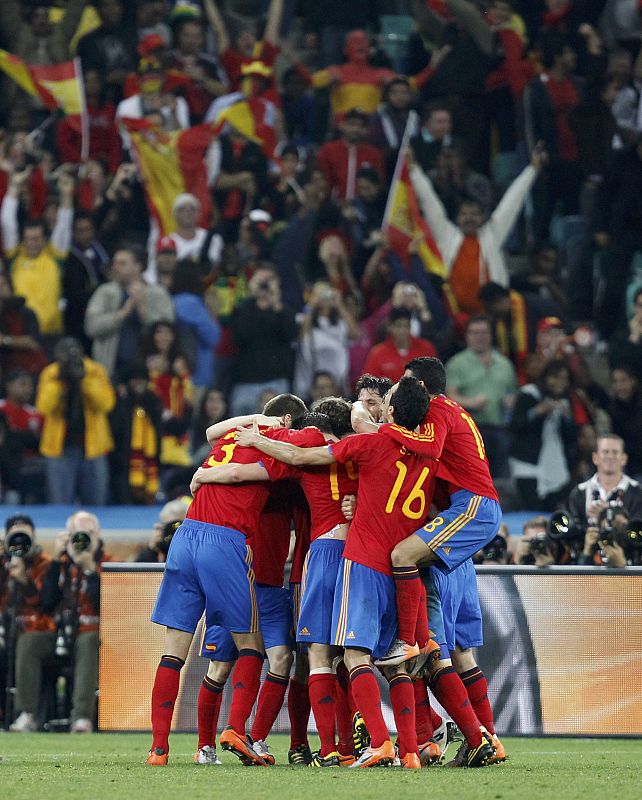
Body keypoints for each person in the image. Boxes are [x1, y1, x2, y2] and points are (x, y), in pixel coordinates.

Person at [235, 377, 435, 769]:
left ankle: (336, 748)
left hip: (339, 555)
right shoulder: (423, 452)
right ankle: (414, 747)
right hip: (401, 561)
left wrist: (254, 441)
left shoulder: (355, 447)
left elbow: (294, 459)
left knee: (327, 656)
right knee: (398, 658)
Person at [193, 399, 358, 766]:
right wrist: (254, 423)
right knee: (224, 664)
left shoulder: (291, 468)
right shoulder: (259, 456)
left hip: (278, 580)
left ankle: (260, 739)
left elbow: (221, 442)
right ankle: (206, 746)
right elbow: (214, 437)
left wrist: (207, 474)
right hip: (238, 572)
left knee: (286, 660)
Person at [146, 395, 301, 766]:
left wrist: (204, 472)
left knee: (173, 651)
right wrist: (273, 427)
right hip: (224, 540)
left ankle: (159, 749)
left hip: (185, 537)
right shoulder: (279, 447)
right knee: (251, 644)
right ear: (286, 420)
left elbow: (212, 431)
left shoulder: (233, 437)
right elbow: (237, 475)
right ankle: (235, 729)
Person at [409, 146, 544, 315]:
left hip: (491, 315)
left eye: (474, 214)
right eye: (464, 214)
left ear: (482, 218)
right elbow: (429, 202)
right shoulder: (446, 234)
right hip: (452, 314)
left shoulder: (492, 235)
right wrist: (413, 169)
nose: (469, 218)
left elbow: (511, 203)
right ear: (457, 218)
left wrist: (531, 169)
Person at [44, 511, 110, 732]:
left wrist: (91, 568)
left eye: (89, 533)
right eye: (77, 533)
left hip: (95, 634)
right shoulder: (60, 562)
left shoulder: (109, 564)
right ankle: (27, 714)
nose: (83, 539)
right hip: (61, 632)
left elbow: (108, 605)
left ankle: (82, 718)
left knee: (88, 639)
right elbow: (46, 603)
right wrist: (55, 560)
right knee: (29, 640)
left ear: (98, 535)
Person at [36, 337, 116, 506]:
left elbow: (106, 403)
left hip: (93, 447)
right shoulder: (51, 373)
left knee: (96, 503)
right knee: (59, 504)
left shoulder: (95, 370)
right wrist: (61, 381)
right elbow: (44, 407)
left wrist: (84, 379)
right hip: (59, 448)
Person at [1, 167, 75, 339]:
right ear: (23, 239)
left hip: (52, 332)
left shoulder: (55, 256)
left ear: (44, 239)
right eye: (28, 239)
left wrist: (66, 196)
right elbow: (7, 223)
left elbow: (64, 226)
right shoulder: (15, 257)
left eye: (36, 238)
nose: (32, 243)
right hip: (24, 332)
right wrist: (13, 188)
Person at [84, 248, 174, 384]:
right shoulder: (104, 292)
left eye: (122, 263)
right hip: (110, 371)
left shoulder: (157, 293)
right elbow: (91, 327)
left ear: (137, 267)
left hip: (149, 372)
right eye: (115, 263)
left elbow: (167, 331)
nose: (116, 267)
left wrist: (142, 307)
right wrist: (122, 313)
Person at [445, 316, 517, 478]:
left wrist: (511, 401)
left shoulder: (505, 364)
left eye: (484, 332)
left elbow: (512, 391)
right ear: (467, 336)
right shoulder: (457, 364)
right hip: (469, 430)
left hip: (500, 429)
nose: (480, 337)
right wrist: (471, 402)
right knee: (472, 478)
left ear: (491, 335)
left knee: (502, 479)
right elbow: (449, 396)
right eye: (474, 333)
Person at [4, 514, 55, 732]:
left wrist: (25, 581)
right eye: (14, 535)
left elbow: (47, 604)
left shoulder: (47, 563)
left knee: (27, 642)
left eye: (24, 534)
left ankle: (26, 713)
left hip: (39, 629)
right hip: (6, 628)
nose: (19, 541)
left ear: (33, 536)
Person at [509, 359, 577, 511]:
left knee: (550, 509)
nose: (560, 382)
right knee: (533, 509)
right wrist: (536, 412)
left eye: (564, 378)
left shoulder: (566, 401)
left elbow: (572, 438)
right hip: (527, 464)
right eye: (555, 377)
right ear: (545, 377)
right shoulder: (529, 394)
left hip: (555, 466)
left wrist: (567, 420)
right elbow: (515, 426)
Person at [229, 268, 297, 416]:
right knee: (239, 430)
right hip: (246, 381)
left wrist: (276, 303)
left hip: (277, 379)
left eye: (269, 280)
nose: (265, 285)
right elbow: (240, 336)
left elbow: (291, 336)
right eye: (261, 281)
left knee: (280, 429)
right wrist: (251, 298)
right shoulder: (243, 309)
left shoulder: (284, 310)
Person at [566, 434, 642, 532]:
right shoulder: (579, 492)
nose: (610, 456)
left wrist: (612, 516)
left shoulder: (638, 492)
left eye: (615, 452)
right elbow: (573, 530)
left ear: (624, 459)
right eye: (605, 452)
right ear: (595, 458)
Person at [315, 108, 386, 201]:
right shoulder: (328, 150)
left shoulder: (374, 154)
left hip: (365, 209)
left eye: (361, 126)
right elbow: (322, 181)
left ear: (366, 130)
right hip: (334, 207)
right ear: (342, 125)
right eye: (352, 124)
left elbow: (378, 184)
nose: (356, 129)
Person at [363, 307, 437, 383]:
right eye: (398, 326)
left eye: (406, 326)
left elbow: (435, 381)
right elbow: (369, 385)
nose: (402, 331)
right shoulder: (377, 353)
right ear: (389, 327)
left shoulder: (426, 349)